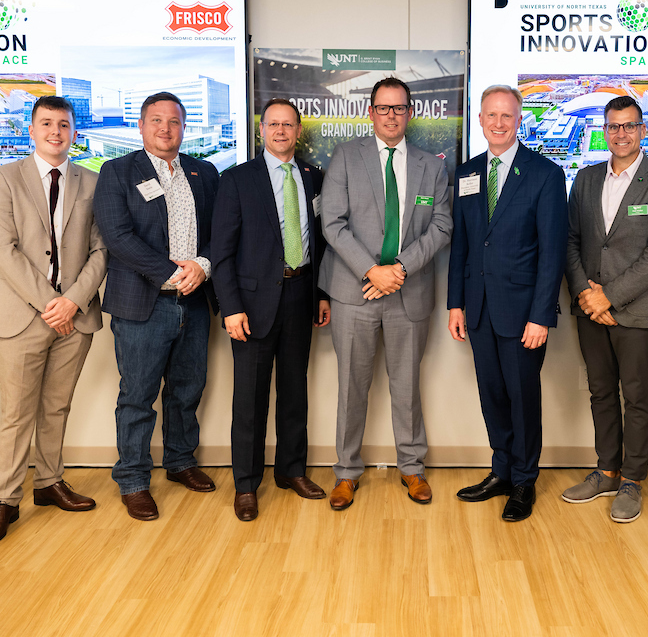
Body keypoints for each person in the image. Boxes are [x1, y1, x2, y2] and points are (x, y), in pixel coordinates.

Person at [0, 95, 108, 547]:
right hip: (23, 316)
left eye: (64, 125)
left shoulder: (91, 182)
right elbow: (3, 250)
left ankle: (50, 482)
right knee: (16, 414)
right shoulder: (4, 179)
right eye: (47, 124)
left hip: (75, 316)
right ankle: (6, 500)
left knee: (56, 406)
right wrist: (50, 302)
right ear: (32, 130)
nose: (56, 132)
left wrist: (72, 301)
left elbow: (101, 250)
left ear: (74, 132)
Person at [319, 76, 452, 510]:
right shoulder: (345, 157)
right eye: (383, 108)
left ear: (410, 113)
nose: (391, 115)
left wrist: (401, 269)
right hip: (354, 292)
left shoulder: (431, 166)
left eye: (399, 108)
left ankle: (412, 468)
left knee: (407, 386)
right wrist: (372, 271)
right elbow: (332, 224)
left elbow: (442, 226)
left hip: (408, 293)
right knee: (350, 387)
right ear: (371, 112)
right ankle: (346, 472)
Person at [93, 91, 220, 521]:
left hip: (195, 301)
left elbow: (221, 231)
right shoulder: (117, 171)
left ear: (184, 127)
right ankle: (132, 479)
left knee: (187, 390)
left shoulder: (204, 172)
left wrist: (201, 266)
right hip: (144, 304)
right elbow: (117, 236)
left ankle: (181, 461)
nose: (165, 129)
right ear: (142, 126)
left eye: (174, 121)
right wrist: (171, 273)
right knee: (138, 396)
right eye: (156, 121)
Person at [448, 84, 566, 522]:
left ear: (520, 121)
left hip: (522, 315)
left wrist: (541, 316)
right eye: (490, 116)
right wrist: (455, 304)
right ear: (480, 120)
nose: (498, 123)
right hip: (477, 309)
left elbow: (552, 253)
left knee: (522, 396)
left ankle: (523, 481)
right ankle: (500, 470)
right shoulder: (467, 173)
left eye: (507, 116)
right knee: (492, 395)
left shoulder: (545, 174)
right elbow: (462, 243)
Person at [211, 99, 331, 522]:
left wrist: (321, 295)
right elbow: (221, 252)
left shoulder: (314, 178)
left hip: (300, 295)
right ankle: (246, 484)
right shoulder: (238, 179)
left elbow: (319, 241)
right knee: (250, 398)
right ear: (262, 130)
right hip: (252, 303)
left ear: (299, 131)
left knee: (295, 391)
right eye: (273, 124)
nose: (281, 131)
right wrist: (230, 307)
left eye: (288, 124)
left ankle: (291, 471)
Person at [564, 96, 648, 523]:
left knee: (637, 396)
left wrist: (608, 297)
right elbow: (571, 241)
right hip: (589, 310)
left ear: (644, 130)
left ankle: (632, 480)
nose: (621, 134)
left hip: (634, 310)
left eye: (629, 126)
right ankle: (606, 471)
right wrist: (586, 295)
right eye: (613, 127)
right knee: (599, 392)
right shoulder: (587, 178)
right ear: (605, 130)